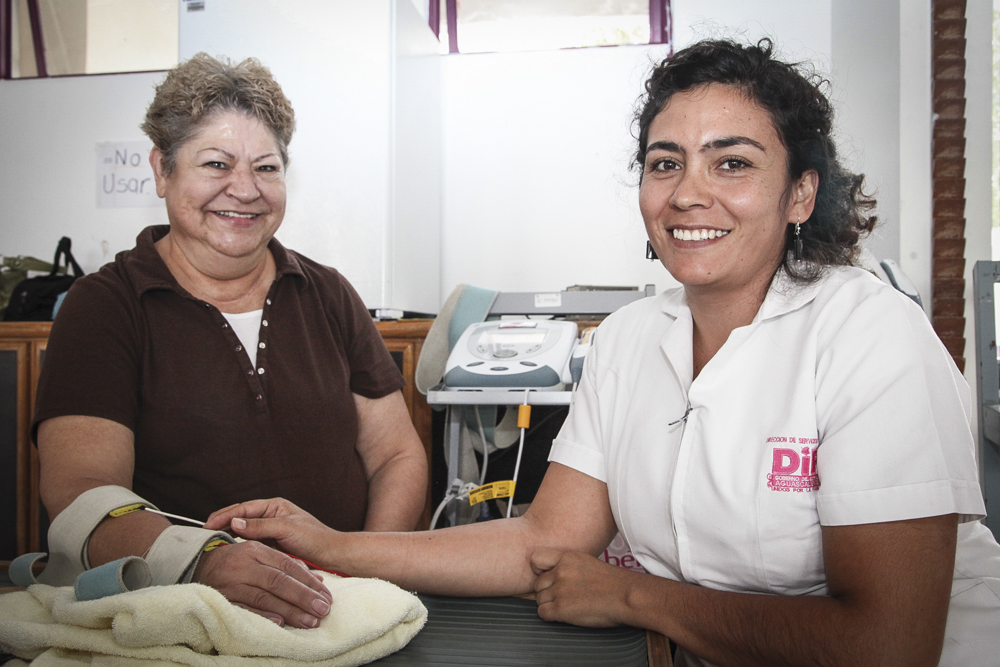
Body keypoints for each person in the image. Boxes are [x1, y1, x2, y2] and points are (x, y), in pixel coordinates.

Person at [205, 39, 1000, 666]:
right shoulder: (627, 339)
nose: (689, 192)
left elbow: (887, 646)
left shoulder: (870, 336)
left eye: (733, 162)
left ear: (800, 194)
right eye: (665, 163)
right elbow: (544, 540)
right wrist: (335, 547)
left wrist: (639, 598)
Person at [32, 54, 428, 629]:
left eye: (266, 168)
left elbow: (396, 454)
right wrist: (204, 563)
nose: (244, 190)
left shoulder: (329, 294)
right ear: (162, 170)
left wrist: (365, 571)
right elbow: (80, 491)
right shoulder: (107, 305)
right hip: (187, 612)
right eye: (216, 163)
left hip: (343, 607)